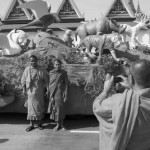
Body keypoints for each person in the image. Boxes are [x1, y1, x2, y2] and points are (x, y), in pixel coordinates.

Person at [93, 59, 150, 150]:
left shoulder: (119, 100)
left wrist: (105, 90)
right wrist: (131, 86)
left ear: (130, 78)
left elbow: (97, 107)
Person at [21, 54, 49, 132]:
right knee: (30, 109)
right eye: (31, 61)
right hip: (30, 92)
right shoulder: (27, 69)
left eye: (33, 61)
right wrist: (23, 89)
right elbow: (23, 80)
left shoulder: (42, 69)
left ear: (37, 61)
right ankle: (31, 125)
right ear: (29, 62)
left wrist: (47, 89)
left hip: (39, 92)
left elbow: (46, 80)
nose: (32, 62)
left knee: (39, 108)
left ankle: (40, 124)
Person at [48, 59, 69, 131]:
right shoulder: (51, 72)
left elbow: (66, 84)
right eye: (56, 64)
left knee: (61, 109)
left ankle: (62, 124)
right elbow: (50, 84)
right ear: (54, 65)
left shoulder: (63, 73)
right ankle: (57, 124)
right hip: (53, 93)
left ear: (61, 65)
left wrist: (65, 95)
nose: (57, 66)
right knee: (55, 109)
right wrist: (50, 95)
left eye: (59, 64)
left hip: (60, 93)